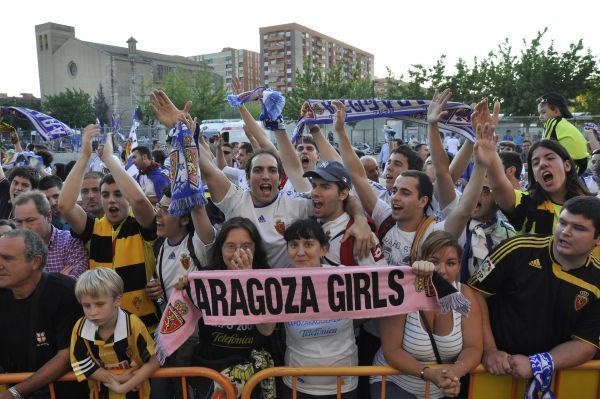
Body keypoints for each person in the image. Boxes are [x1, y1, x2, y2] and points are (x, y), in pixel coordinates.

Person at [468, 196, 600, 384]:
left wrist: (537, 364)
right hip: (490, 372)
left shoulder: (597, 280)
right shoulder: (517, 248)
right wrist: (489, 350)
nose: (565, 232)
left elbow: (585, 343)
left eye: (578, 228)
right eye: (562, 223)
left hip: (552, 381)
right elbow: (473, 295)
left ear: (598, 238)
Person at [59, 125, 160, 331]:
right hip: (104, 328)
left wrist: (110, 160)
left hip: (144, 326)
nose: (111, 200)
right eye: (105, 195)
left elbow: (140, 201)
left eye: (118, 194)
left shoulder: (141, 225)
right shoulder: (93, 228)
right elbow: (65, 206)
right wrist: (85, 156)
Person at [372, 231, 483, 399]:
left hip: (440, 389)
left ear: (460, 266)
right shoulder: (403, 291)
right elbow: (392, 351)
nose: (442, 270)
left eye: (451, 263)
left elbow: (473, 347)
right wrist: (431, 375)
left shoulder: (465, 295)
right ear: (421, 261)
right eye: (434, 262)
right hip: (394, 383)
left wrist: (456, 372)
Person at [474, 98, 590, 235]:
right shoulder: (527, 203)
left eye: (550, 158)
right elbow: (499, 186)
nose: (542, 164)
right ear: (533, 174)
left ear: (567, 165)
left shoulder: (590, 207)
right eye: (535, 163)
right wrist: (491, 155)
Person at [190, 216, 277, 399]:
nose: (238, 253)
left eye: (246, 246)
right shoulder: (204, 278)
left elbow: (267, 329)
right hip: (211, 371)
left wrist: (248, 281)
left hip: (253, 375)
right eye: (231, 246)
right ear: (220, 248)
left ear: (255, 249)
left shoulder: (267, 279)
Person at [0, 229, 88, 399]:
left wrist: (15, 393)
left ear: (35, 261)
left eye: (8, 258)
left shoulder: (64, 292)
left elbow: (66, 356)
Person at [145, 187, 214, 399]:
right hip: (170, 340)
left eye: (165, 210)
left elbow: (202, 217)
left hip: (196, 342)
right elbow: (163, 288)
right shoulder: (160, 246)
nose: (157, 214)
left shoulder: (198, 244)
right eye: (158, 207)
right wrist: (155, 290)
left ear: (185, 219)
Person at [281, 219, 358, 399]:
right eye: (293, 245)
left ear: (324, 249)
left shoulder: (346, 278)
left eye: (308, 244)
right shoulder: (279, 284)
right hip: (296, 385)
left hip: (343, 385)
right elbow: (266, 329)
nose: (300, 252)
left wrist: (415, 274)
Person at [71, 267, 159, 399]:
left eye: (99, 304)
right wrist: (120, 379)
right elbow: (81, 363)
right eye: (86, 306)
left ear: (117, 300)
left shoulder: (133, 324)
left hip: (137, 394)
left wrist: (124, 387)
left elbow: (153, 362)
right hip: (100, 394)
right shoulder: (80, 328)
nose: (92, 312)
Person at [14, 191, 88, 279]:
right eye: (18, 222)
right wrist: (58, 280)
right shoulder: (13, 248)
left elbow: (77, 286)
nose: (24, 227)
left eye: (30, 220)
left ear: (48, 217)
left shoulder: (71, 242)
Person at [538, 92, 589, 174]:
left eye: (543, 112)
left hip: (572, 168)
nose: (540, 117)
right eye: (539, 113)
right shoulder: (563, 123)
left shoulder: (553, 122)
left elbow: (542, 149)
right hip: (580, 166)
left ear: (556, 112)